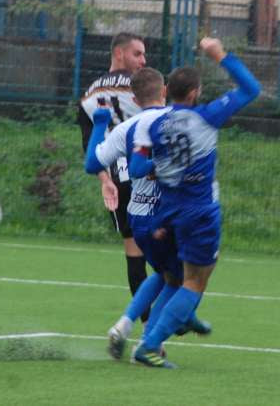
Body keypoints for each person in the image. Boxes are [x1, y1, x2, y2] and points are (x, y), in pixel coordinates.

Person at [127, 38, 261, 368]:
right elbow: (250, 89)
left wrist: (162, 166)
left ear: (167, 91)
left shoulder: (153, 124)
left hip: (166, 211)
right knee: (195, 281)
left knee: (174, 279)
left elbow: (138, 167)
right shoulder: (207, 116)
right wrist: (219, 55)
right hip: (199, 211)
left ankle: (159, 335)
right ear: (194, 93)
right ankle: (149, 345)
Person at [83, 67, 210, 361]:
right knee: (185, 279)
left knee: (165, 275)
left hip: (137, 217)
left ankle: (123, 325)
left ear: (134, 98)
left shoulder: (126, 129)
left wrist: (100, 124)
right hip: (168, 216)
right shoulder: (177, 122)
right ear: (164, 91)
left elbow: (92, 164)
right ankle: (150, 340)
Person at [78, 32, 149, 317]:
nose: (144, 61)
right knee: (168, 246)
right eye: (137, 54)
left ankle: (147, 328)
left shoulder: (89, 93)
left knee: (134, 255)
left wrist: (104, 180)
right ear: (118, 54)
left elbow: (88, 144)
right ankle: (176, 314)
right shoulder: (144, 87)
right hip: (146, 175)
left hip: (117, 181)